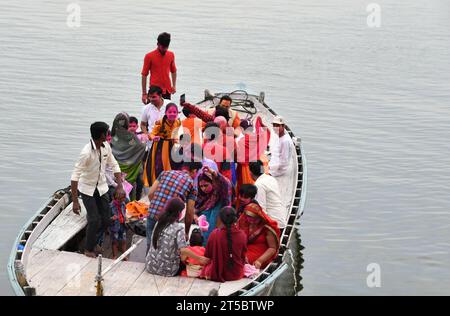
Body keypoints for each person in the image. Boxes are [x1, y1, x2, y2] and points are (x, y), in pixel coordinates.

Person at [71, 122, 124, 258]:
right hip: (87, 189)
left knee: (106, 219)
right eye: (107, 132)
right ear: (102, 135)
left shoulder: (106, 147)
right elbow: (75, 177)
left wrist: (120, 186)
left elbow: (115, 165)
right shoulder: (86, 152)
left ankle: (93, 242)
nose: (109, 134)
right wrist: (75, 202)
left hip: (101, 188)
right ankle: (89, 249)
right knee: (94, 219)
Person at [146, 197, 210, 277]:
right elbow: (183, 250)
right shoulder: (178, 229)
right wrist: (199, 258)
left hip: (150, 266)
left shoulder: (159, 223)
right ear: (179, 212)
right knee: (185, 260)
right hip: (167, 271)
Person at [146, 161, 203, 249]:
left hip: (152, 214)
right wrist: (186, 232)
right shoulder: (192, 185)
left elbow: (150, 194)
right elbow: (189, 213)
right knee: (165, 249)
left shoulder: (165, 173)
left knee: (150, 246)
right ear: (194, 171)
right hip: (169, 220)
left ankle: (148, 262)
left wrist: (156, 207)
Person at [237, 184, 280, 269]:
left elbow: (272, 248)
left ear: (258, 216)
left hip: (261, 253)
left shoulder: (267, 228)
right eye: (247, 217)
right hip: (246, 249)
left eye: (252, 218)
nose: (249, 220)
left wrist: (260, 261)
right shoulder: (244, 221)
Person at [200, 207, 247, 282]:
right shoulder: (242, 235)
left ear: (220, 219)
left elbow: (208, 256)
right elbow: (243, 257)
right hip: (237, 274)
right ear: (235, 219)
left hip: (218, 273)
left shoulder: (214, 234)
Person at [110, 112, 147, 201]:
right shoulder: (130, 137)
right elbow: (141, 147)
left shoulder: (113, 135)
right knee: (135, 184)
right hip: (130, 168)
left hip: (116, 169)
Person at [143, 103, 181, 186]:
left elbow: (176, 134)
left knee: (172, 165)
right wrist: (153, 138)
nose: (172, 114)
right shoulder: (160, 122)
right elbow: (151, 134)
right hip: (160, 146)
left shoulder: (178, 122)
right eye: (170, 112)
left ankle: (169, 183)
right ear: (166, 113)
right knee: (159, 166)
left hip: (172, 145)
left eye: (174, 112)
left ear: (177, 113)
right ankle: (158, 183)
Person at [195, 166, 233, 243]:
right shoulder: (201, 197)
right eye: (201, 186)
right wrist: (194, 216)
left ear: (213, 183)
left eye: (206, 185)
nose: (203, 189)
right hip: (203, 234)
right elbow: (193, 209)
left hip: (217, 234)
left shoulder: (220, 196)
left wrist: (214, 173)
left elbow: (226, 183)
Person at [249, 160, 286, 228]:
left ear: (250, 173)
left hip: (273, 222)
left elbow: (261, 209)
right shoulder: (271, 178)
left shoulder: (259, 185)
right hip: (281, 218)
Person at [141, 32, 177, 102]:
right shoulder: (149, 56)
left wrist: (174, 85)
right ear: (158, 44)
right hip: (154, 91)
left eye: (166, 47)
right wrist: (144, 94)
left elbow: (174, 71)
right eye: (163, 47)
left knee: (166, 112)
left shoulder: (171, 55)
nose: (165, 49)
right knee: (151, 112)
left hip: (167, 91)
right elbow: (144, 75)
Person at [110, 190, 129, 259]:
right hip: (114, 226)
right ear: (114, 198)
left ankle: (124, 255)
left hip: (122, 225)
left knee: (124, 240)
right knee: (115, 241)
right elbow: (107, 218)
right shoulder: (110, 206)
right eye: (119, 199)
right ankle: (114, 256)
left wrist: (126, 217)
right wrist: (111, 218)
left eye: (123, 199)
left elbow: (124, 212)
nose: (121, 201)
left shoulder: (123, 204)